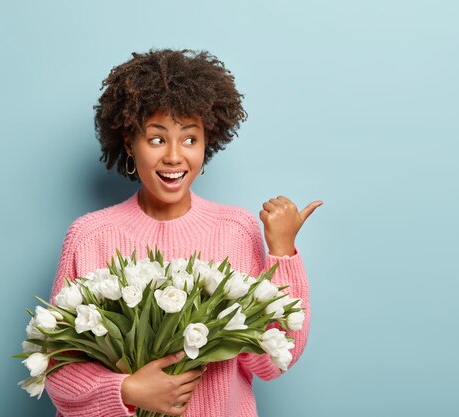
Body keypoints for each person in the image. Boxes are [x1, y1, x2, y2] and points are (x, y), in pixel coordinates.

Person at [45, 49, 322, 417]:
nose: (175, 156)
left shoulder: (235, 230)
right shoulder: (90, 236)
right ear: (129, 143)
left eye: (189, 139)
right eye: (157, 139)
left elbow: (272, 361)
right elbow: (57, 365)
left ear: (207, 142)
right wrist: (126, 391)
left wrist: (282, 252)